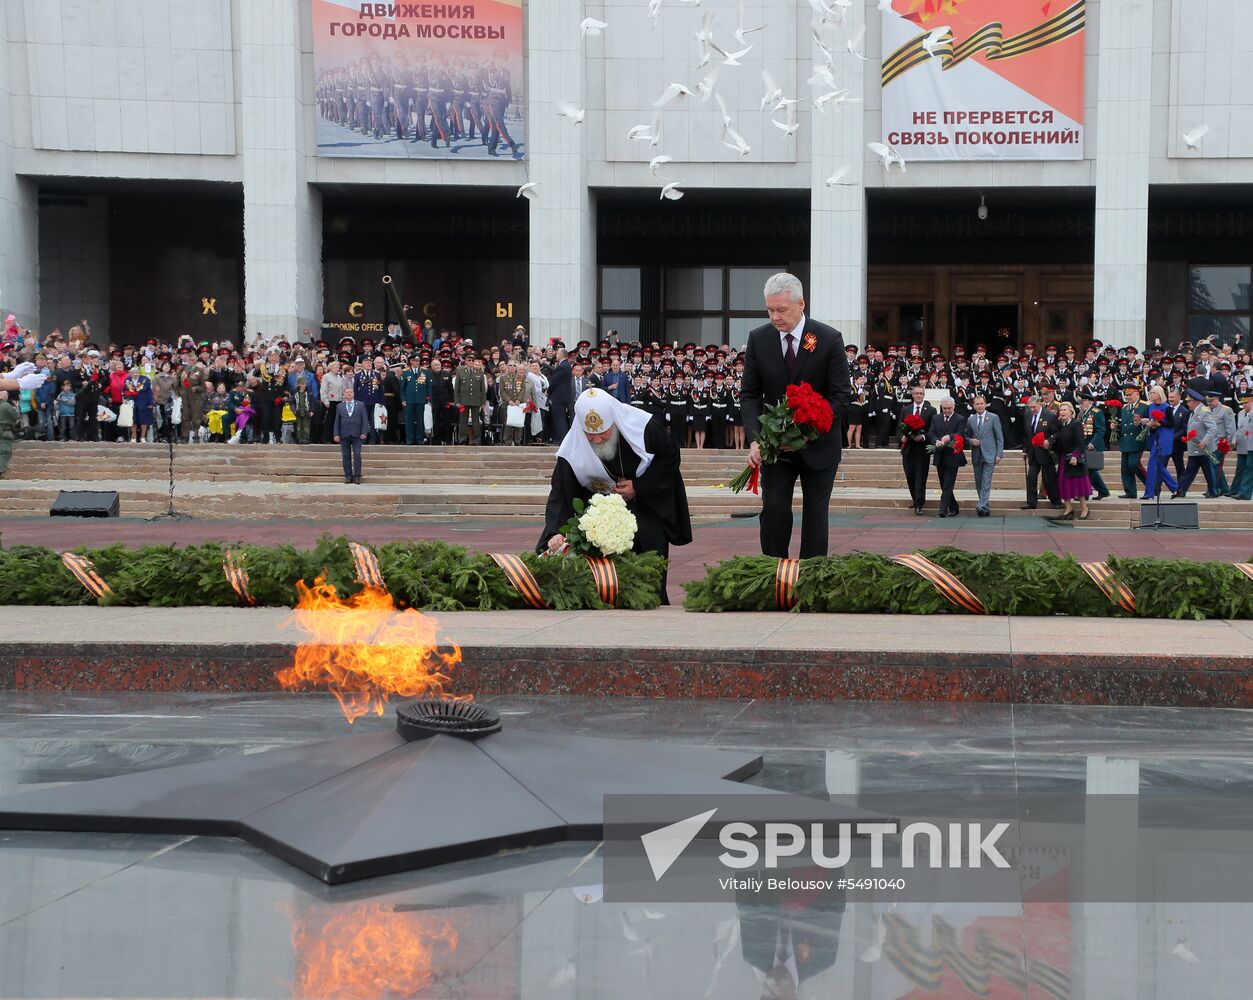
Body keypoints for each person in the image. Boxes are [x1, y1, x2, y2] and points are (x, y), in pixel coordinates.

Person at [538, 389, 692, 603]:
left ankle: (654, 601)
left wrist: (639, 486)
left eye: (604, 432)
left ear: (615, 421)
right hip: (601, 517)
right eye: (590, 435)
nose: (598, 439)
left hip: (646, 506)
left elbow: (670, 457)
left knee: (650, 570)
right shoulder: (573, 446)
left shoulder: (645, 426)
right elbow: (561, 491)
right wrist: (554, 531)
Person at [742, 272, 852, 557]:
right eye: (770, 310)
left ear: (801, 304)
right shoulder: (758, 339)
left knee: (816, 514)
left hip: (819, 445)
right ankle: (773, 574)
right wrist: (755, 440)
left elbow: (841, 397)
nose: (775, 317)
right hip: (775, 448)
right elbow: (750, 395)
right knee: (774, 510)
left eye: (781, 310)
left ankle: (811, 579)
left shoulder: (828, 339)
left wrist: (804, 433)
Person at [1049, 401, 1091, 522]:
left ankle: (1084, 509)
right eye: (1061, 410)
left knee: (1079, 485)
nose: (1062, 412)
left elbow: (1080, 442)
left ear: (1071, 412)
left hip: (1075, 459)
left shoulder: (1076, 424)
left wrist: (1075, 456)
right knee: (1063, 484)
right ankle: (1069, 508)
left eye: (1065, 410)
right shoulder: (1060, 425)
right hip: (1064, 458)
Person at [1175, 388, 1220, 498]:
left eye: (1189, 401)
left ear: (1195, 401)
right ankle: (1181, 490)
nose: (1187, 404)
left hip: (1204, 449)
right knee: (1189, 471)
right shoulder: (1193, 412)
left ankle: (1213, 491)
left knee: (1208, 471)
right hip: (1195, 448)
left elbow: (1213, 428)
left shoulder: (1204, 412)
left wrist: (1204, 442)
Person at [927, 396, 967, 518]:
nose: (947, 410)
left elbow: (961, 434)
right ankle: (954, 506)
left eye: (949, 408)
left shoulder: (960, 419)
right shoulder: (936, 418)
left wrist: (949, 437)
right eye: (945, 408)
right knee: (943, 483)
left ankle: (942, 509)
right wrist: (936, 441)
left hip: (953, 456)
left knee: (948, 483)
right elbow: (931, 432)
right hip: (940, 455)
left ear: (953, 407)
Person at [899, 385, 935, 515]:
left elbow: (932, 429)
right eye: (917, 393)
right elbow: (899, 427)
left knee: (920, 477)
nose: (919, 395)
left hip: (922, 449)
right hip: (908, 448)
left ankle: (919, 503)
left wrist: (924, 436)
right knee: (910, 475)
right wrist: (902, 437)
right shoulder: (906, 410)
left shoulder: (931, 410)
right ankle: (915, 499)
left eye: (921, 393)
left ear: (924, 395)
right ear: (912, 395)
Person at [1021, 395, 1061, 510]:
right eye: (1030, 407)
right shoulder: (1028, 415)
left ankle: (1056, 501)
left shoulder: (1049, 416)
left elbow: (1057, 433)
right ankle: (1031, 502)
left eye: (1034, 407)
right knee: (1031, 477)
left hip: (1046, 452)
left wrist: (1049, 441)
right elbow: (1027, 435)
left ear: (1040, 403)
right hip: (1033, 452)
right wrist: (1025, 450)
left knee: (1049, 478)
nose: (1032, 409)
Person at [967, 393, 1003, 517]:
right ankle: (985, 508)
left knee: (986, 481)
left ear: (985, 404)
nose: (979, 406)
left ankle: (981, 505)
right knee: (978, 481)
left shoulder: (993, 417)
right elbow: (966, 435)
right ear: (973, 405)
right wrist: (971, 441)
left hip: (990, 454)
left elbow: (999, 438)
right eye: (977, 404)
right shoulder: (971, 419)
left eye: (981, 403)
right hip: (976, 454)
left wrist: (999, 454)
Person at [1140, 385, 1178, 501]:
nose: (1151, 395)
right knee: (1159, 466)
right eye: (1150, 393)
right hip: (1153, 436)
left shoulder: (1167, 408)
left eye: (1153, 393)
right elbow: (1146, 419)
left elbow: (1172, 424)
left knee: (1152, 465)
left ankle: (1149, 493)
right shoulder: (1150, 406)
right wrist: (1144, 421)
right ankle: (1175, 488)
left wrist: (1159, 424)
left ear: (1159, 394)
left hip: (1163, 437)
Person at [1077, 393, 1111, 500]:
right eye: (1080, 402)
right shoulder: (1082, 413)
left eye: (1082, 402)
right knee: (1091, 470)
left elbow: (1100, 430)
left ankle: (1085, 493)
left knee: (1089, 470)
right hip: (1084, 444)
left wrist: (1093, 443)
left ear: (1090, 402)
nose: (1081, 404)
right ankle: (1103, 491)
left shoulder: (1097, 412)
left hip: (1093, 445)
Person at [333, 385, 370, 484]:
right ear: (344, 395)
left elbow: (365, 420)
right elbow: (337, 421)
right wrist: (336, 434)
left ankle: (357, 476)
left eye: (351, 392)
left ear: (353, 394)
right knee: (345, 455)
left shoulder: (360, 405)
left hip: (357, 434)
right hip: (344, 434)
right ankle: (348, 476)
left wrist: (364, 432)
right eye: (347, 392)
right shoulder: (339, 406)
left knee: (357, 454)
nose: (349, 393)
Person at [1117, 386, 1149, 498]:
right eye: (1127, 395)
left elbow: (1150, 421)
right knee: (1125, 468)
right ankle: (1130, 491)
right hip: (1126, 441)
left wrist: (1145, 422)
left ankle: (1150, 486)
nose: (1128, 397)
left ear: (1137, 394)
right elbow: (1124, 424)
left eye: (1130, 394)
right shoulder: (1125, 408)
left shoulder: (1145, 406)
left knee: (1134, 464)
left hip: (1137, 440)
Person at [1227, 394, 1253, 500]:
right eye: (1242, 403)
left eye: (1246, 403)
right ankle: (1236, 490)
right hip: (1243, 444)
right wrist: (1233, 441)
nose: (1244, 405)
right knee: (1242, 468)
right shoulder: (1241, 414)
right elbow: (1239, 428)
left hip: (1251, 444)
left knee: (1249, 469)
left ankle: (1244, 492)